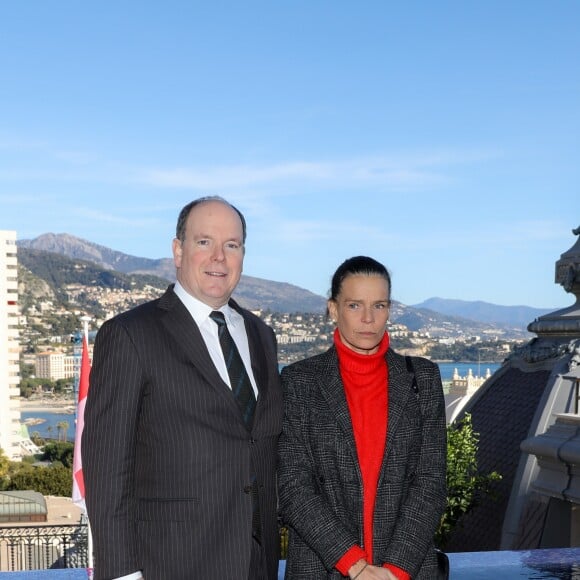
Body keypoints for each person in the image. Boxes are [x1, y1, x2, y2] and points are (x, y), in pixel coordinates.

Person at [82, 196, 283, 580]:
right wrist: (124, 574)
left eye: (232, 245)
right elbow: (107, 471)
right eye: (204, 241)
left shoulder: (261, 335)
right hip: (172, 563)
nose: (219, 257)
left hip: (257, 565)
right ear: (178, 250)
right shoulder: (129, 334)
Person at [278, 256, 447, 579]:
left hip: (406, 570)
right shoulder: (299, 381)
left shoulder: (422, 379)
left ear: (389, 309)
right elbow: (293, 486)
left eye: (379, 305)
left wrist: (395, 570)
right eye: (355, 305)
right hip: (323, 567)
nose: (368, 319)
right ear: (333, 308)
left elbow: (430, 482)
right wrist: (355, 565)